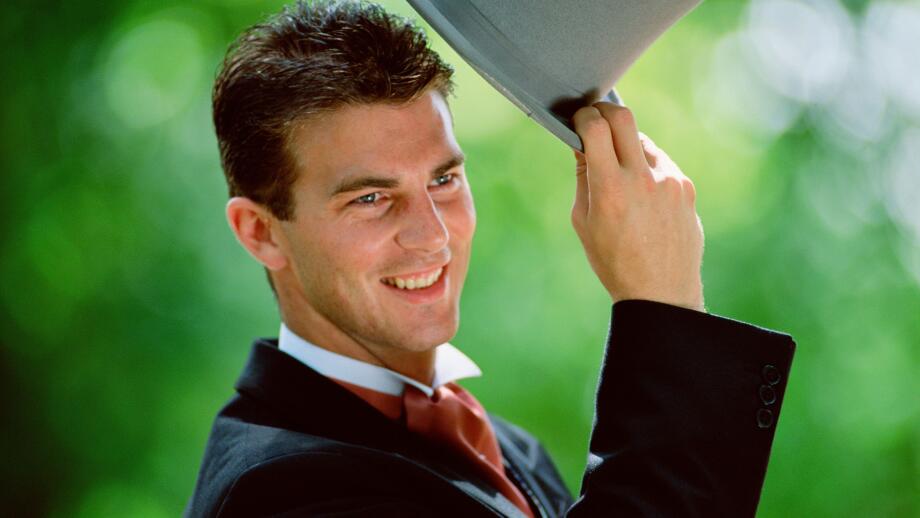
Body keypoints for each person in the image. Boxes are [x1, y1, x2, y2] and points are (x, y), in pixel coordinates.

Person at [185, 1, 796, 516]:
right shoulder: (277, 491)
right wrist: (663, 309)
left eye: (445, 179)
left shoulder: (512, 450)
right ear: (260, 231)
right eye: (371, 198)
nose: (431, 236)